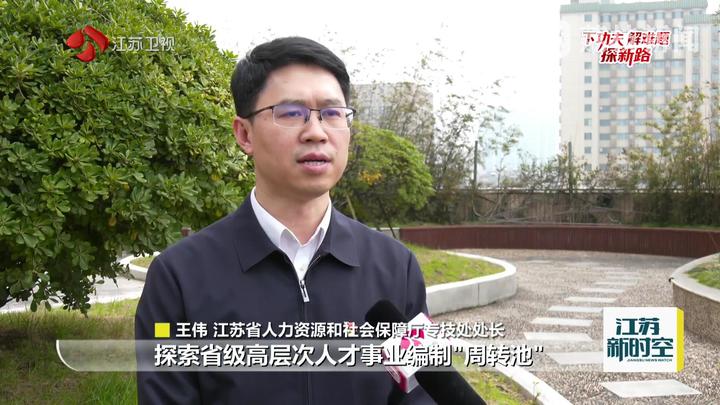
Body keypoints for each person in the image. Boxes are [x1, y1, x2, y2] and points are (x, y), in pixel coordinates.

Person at [135, 36, 434, 404]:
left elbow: (422, 394)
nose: (316, 132)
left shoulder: (396, 267)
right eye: (291, 113)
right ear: (244, 134)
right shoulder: (179, 277)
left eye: (332, 113)